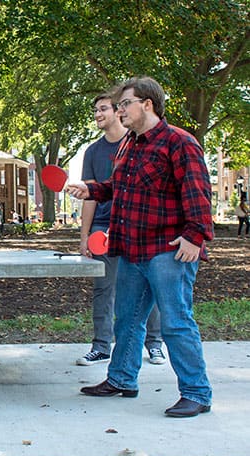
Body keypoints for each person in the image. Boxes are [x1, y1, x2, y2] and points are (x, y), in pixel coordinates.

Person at [67, 76, 214, 418]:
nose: (119, 111)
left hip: (169, 251)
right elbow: (117, 187)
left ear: (147, 104)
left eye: (124, 104)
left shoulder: (180, 142)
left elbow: (198, 194)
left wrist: (195, 236)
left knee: (176, 323)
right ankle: (121, 379)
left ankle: (196, 393)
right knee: (128, 320)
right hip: (132, 249)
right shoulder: (128, 145)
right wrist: (91, 190)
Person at [77, 92, 165, 367]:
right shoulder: (92, 152)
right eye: (95, 111)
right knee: (103, 289)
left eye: (103, 109)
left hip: (136, 225)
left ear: (119, 111)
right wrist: (84, 239)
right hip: (103, 227)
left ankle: (155, 344)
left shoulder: (136, 144)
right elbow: (91, 194)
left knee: (146, 286)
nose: (97, 115)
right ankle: (101, 346)